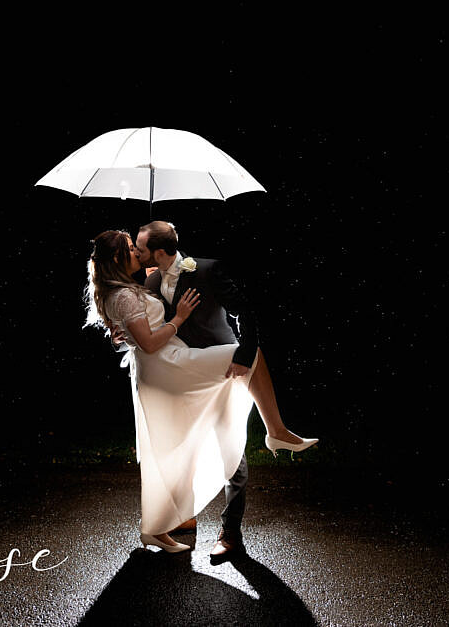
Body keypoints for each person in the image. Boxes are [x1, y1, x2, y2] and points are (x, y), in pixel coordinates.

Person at [86, 225, 317, 558]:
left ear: (159, 253)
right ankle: (275, 431)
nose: (136, 253)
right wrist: (175, 318)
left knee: (217, 446)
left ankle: (225, 529)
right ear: (122, 258)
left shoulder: (198, 271)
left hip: (195, 365)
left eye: (139, 248)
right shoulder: (139, 286)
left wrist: (125, 329)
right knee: (175, 445)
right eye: (131, 249)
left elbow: (243, 310)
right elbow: (145, 333)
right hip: (175, 366)